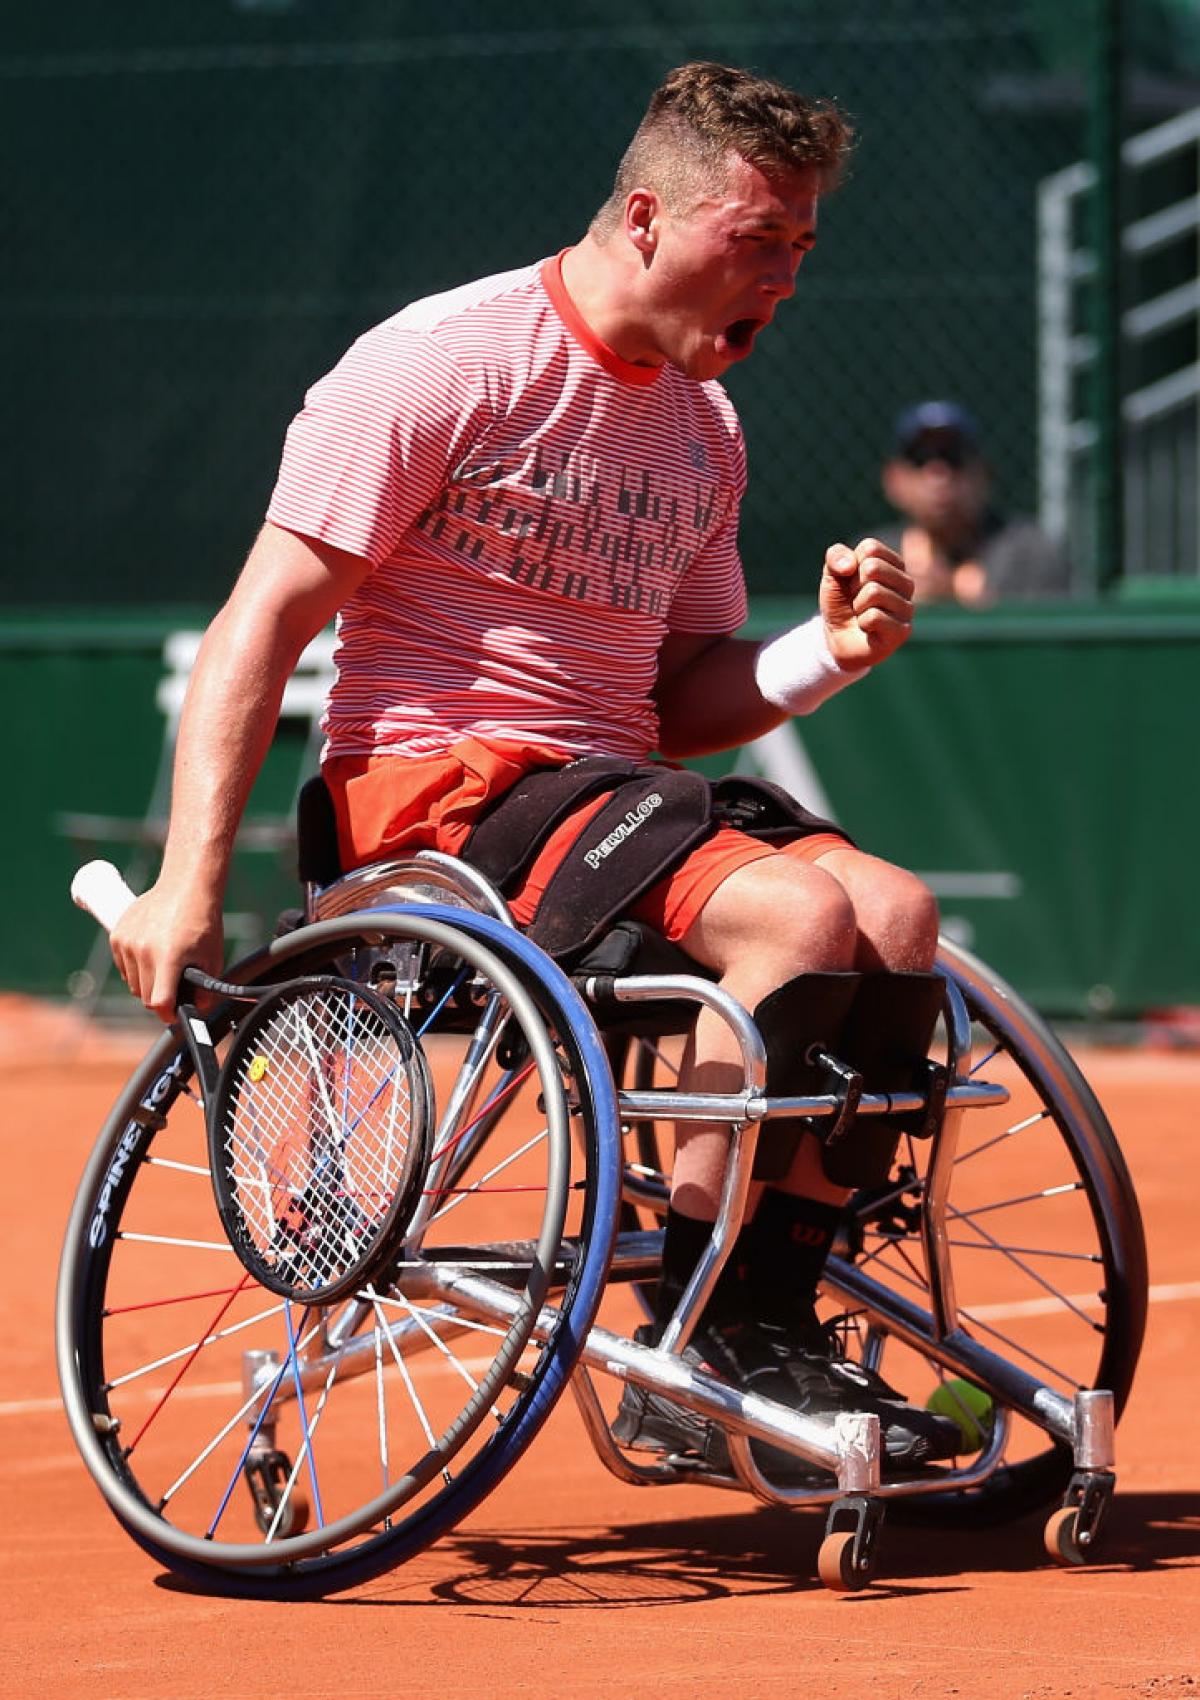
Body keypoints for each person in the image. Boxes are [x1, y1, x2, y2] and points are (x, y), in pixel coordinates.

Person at [109, 61, 959, 1475]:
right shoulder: (444, 360)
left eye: (803, 250)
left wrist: (828, 653)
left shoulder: (705, 428)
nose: (787, 282)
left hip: (616, 792)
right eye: (760, 243)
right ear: (644, 219)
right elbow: (260, 619)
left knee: (900, 918)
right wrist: (184, 881)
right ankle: (688, 1339)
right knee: (795, 919)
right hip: (433, 799)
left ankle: (755, 1321)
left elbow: (684, 701)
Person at [878, 400, 1073, 606]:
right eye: (919, 459)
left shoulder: (1030, 552)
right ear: (893, 479)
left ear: (984, 473)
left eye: (953, 457)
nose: (938, 475)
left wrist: (963, 596)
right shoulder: (877, 556)